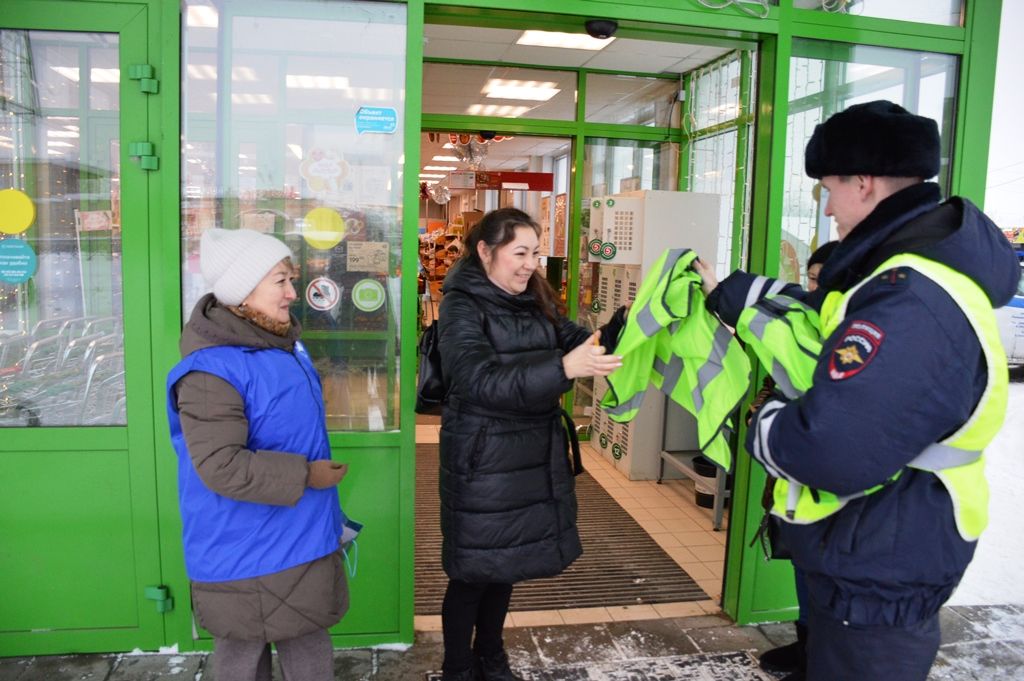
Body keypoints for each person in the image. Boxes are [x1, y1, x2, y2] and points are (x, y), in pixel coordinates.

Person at [694, 100, 1020, 680]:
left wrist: (765, 420)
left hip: (882, 566)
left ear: (864, 184)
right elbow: (819, 314)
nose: (825, 206)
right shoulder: (897, 274)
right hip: (874, 550)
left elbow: (831, 449)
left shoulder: (912, 297)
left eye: (827, 188)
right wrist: (731, 292)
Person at [436, 207, 624, 681]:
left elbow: (579, 340)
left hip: (529, 453)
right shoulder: (461, 305)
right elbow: (478, 380)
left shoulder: (534, 297)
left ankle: (492, 657)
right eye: (519, 253)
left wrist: (626, 325)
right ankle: (458, 667)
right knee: (471, 573)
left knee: (505, 565)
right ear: (485, 251)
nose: (530, 265)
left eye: (535, 253)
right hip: (482, 458)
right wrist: (562, 369)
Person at [166, 228, 354, 681]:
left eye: (290, 279)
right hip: (242, 548)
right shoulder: (211, 370)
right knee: (242, 659)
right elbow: (221, 466)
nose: (292, 292)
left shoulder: (280, 346)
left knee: (308, 646)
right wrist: (306, 475)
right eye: (280, 281)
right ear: (241, 291)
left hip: (300, 534)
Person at [754, 239, 837, 681]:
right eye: (811, 279)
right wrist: (762, 411)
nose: (814, 290)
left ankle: (820, 660)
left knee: (827, 581)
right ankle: (805, 647)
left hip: (833, 490)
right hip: (793, 480)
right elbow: (772, 385)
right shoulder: (798, 326)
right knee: (803, 572)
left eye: (824, 282)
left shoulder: (854, 335)